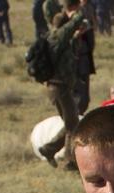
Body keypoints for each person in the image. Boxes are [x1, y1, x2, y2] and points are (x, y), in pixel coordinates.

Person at [39, 6, 91, 164]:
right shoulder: (58, 36)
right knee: (73, 124)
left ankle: (50, 149)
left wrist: (76, 37)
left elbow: (67, 53)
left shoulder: (52, 38)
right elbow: (75, 21)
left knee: (71, 123)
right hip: (60, 87)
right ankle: (70, 160)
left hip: (56, 87)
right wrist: (77, 11)